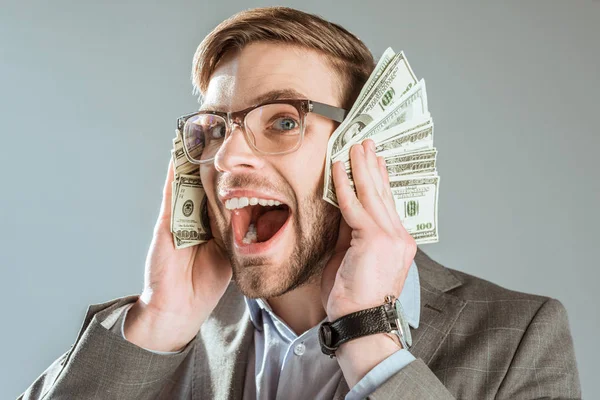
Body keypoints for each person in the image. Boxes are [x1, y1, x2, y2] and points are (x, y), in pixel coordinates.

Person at [19, 7, 581, 400]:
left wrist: (370, 340)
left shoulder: (518, 337)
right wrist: (158, 320)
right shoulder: (155, 340)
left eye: (283, 121)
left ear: (366, 147)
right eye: (215, 130)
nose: (227, 158)